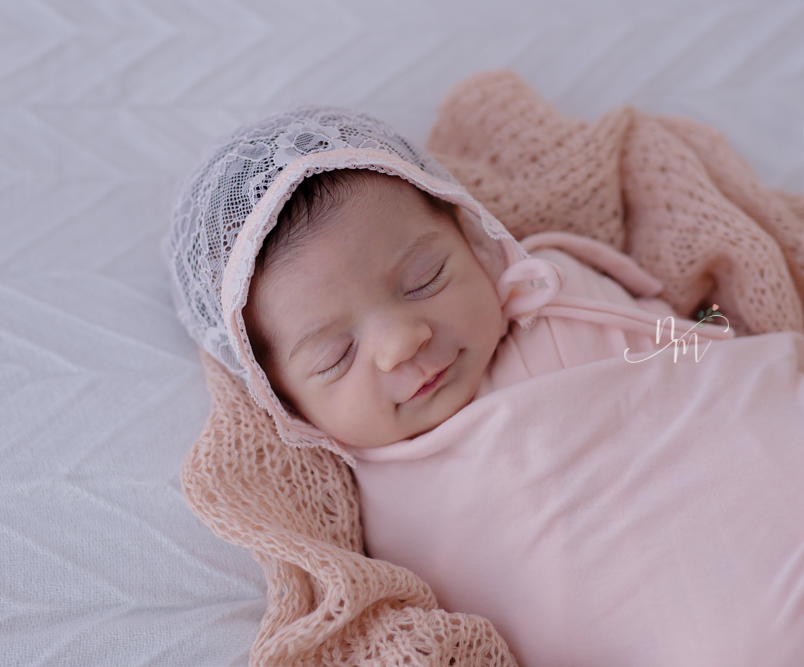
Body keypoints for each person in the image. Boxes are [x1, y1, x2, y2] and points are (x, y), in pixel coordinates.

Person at [166, 104, 804, 666]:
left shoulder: (552, 286)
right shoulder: (377, 521)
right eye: (337, 354)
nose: (401, 342)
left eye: (426, 278)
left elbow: (684, 344)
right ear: (283, 399)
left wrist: (709, 332)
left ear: (474, 238)